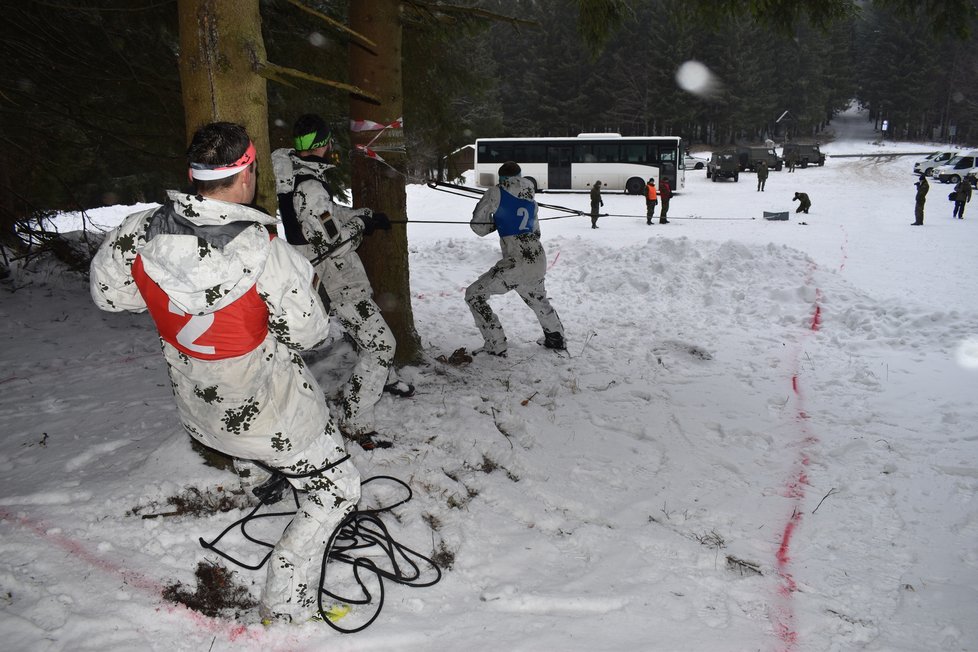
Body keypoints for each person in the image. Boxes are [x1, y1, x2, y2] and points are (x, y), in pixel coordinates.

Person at [90, 122, 360, 624]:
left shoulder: (139, 230)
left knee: (248, 437)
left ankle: (259, 482)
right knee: (340, 489)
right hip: (268, 420)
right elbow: (309, 334)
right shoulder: (265, 250)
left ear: (193, 175)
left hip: (198, 411)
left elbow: (111, 296)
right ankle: (286, 603)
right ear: (248, 174)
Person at [272, 114, 412, 450]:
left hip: (329, 275)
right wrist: (362, 227)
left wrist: (362, 214)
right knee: (381, 345)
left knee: (363, 329)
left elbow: (326, 219)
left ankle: (384, 378)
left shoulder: (300, 177)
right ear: (322, 144)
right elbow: (333, 243)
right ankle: (355, 417)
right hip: (337, 277)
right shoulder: (310, 187)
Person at [466, 161, 566, 356]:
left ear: (501, 178)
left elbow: (479, 228)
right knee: (538, 299)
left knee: (474, 295)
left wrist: (495, 222)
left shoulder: (495, 192)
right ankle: (556, 338)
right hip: (537, 257)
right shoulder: (530, 191)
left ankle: (496, 344)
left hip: (516, 260)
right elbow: (535, 228)